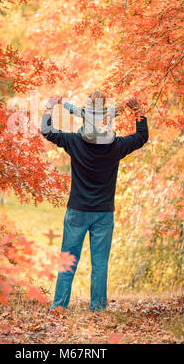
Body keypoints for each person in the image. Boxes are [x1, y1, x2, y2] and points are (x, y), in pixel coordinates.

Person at [41, 91, 149, 312]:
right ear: (104, 118)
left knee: (68, 260)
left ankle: (59, 307)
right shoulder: (116, 146)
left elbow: (47, 130)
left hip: (77, 211)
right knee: (100, 264)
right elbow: (141, 137)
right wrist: (138, 111)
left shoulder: (73, 141)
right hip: (103, 213)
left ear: (84, 116)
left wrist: (50, 107)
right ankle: (97, 310)